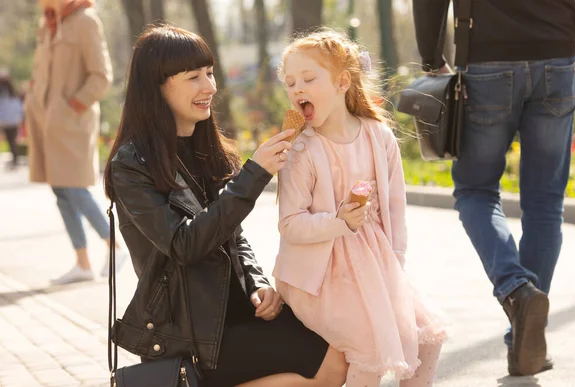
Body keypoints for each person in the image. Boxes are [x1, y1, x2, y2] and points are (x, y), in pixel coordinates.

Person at [103, 25, 348, 387]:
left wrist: (257, 282)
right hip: (191, 336)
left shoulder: (208, 148)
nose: (210, 87)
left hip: (236, 312)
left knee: (338, 348)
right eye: (193, 77)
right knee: (330, 365)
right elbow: (184, 245)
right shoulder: (131, 165)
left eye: (210, 73)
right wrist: (254, 174)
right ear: (156, 85)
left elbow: (231, 236)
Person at [412, 0, 575, 377]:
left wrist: (432, 57)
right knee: (545, 204)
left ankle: (516, 291)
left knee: (475, 191)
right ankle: (524, 339)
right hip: (557, 55)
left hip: (485, 59)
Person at [274, 30, 449, 387]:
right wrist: (337, 222)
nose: (297, 89)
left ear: (342, 82)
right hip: (319, 276)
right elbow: (290, 224)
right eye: (290, 82)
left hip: (375, 264)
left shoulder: (378, 136)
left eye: (308, 78)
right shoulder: (301, 150)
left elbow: (395, 207)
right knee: (371, 350)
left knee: (427, 337)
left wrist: (395, 265)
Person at [25, 0, 128, 284]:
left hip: (72, 123)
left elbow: (101, 76)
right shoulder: (48, 24)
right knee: (60, 190)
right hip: (47, 124)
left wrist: (72, 107)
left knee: (74, 188)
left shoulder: (86, 20)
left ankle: (115, 246)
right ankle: (82, 263)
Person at [0, 72, 23, 170]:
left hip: (7, 119)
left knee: (11, 141)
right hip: (13, 120)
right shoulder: (12, 92)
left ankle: (15, 160)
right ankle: (15, 159)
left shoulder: (4, 92)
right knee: (12, 141)